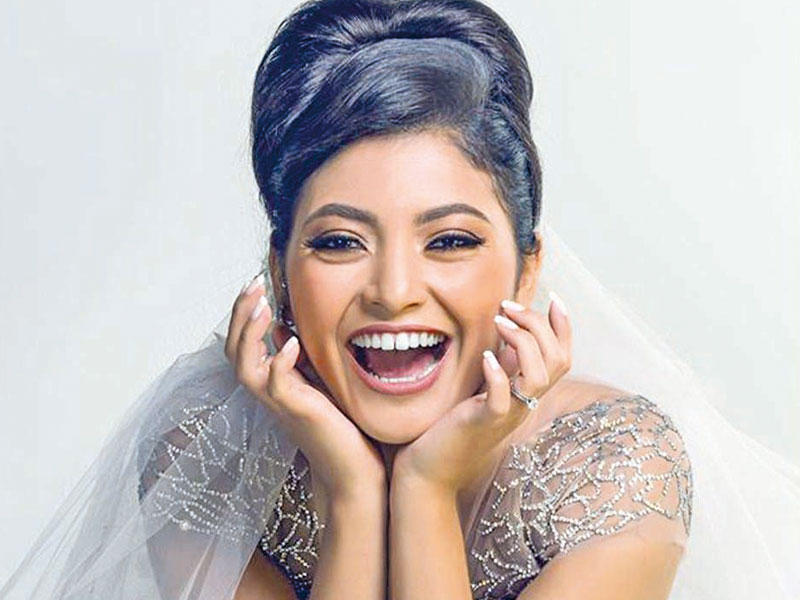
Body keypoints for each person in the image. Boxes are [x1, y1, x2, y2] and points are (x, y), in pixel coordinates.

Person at [1, 0, 797, 599]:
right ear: (278, 273)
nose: (393, 292)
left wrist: (424, 488)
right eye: (339, 242)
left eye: (448, 241)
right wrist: (354, 491)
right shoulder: (206, 454)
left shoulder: (612, 466)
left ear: (527, 270)